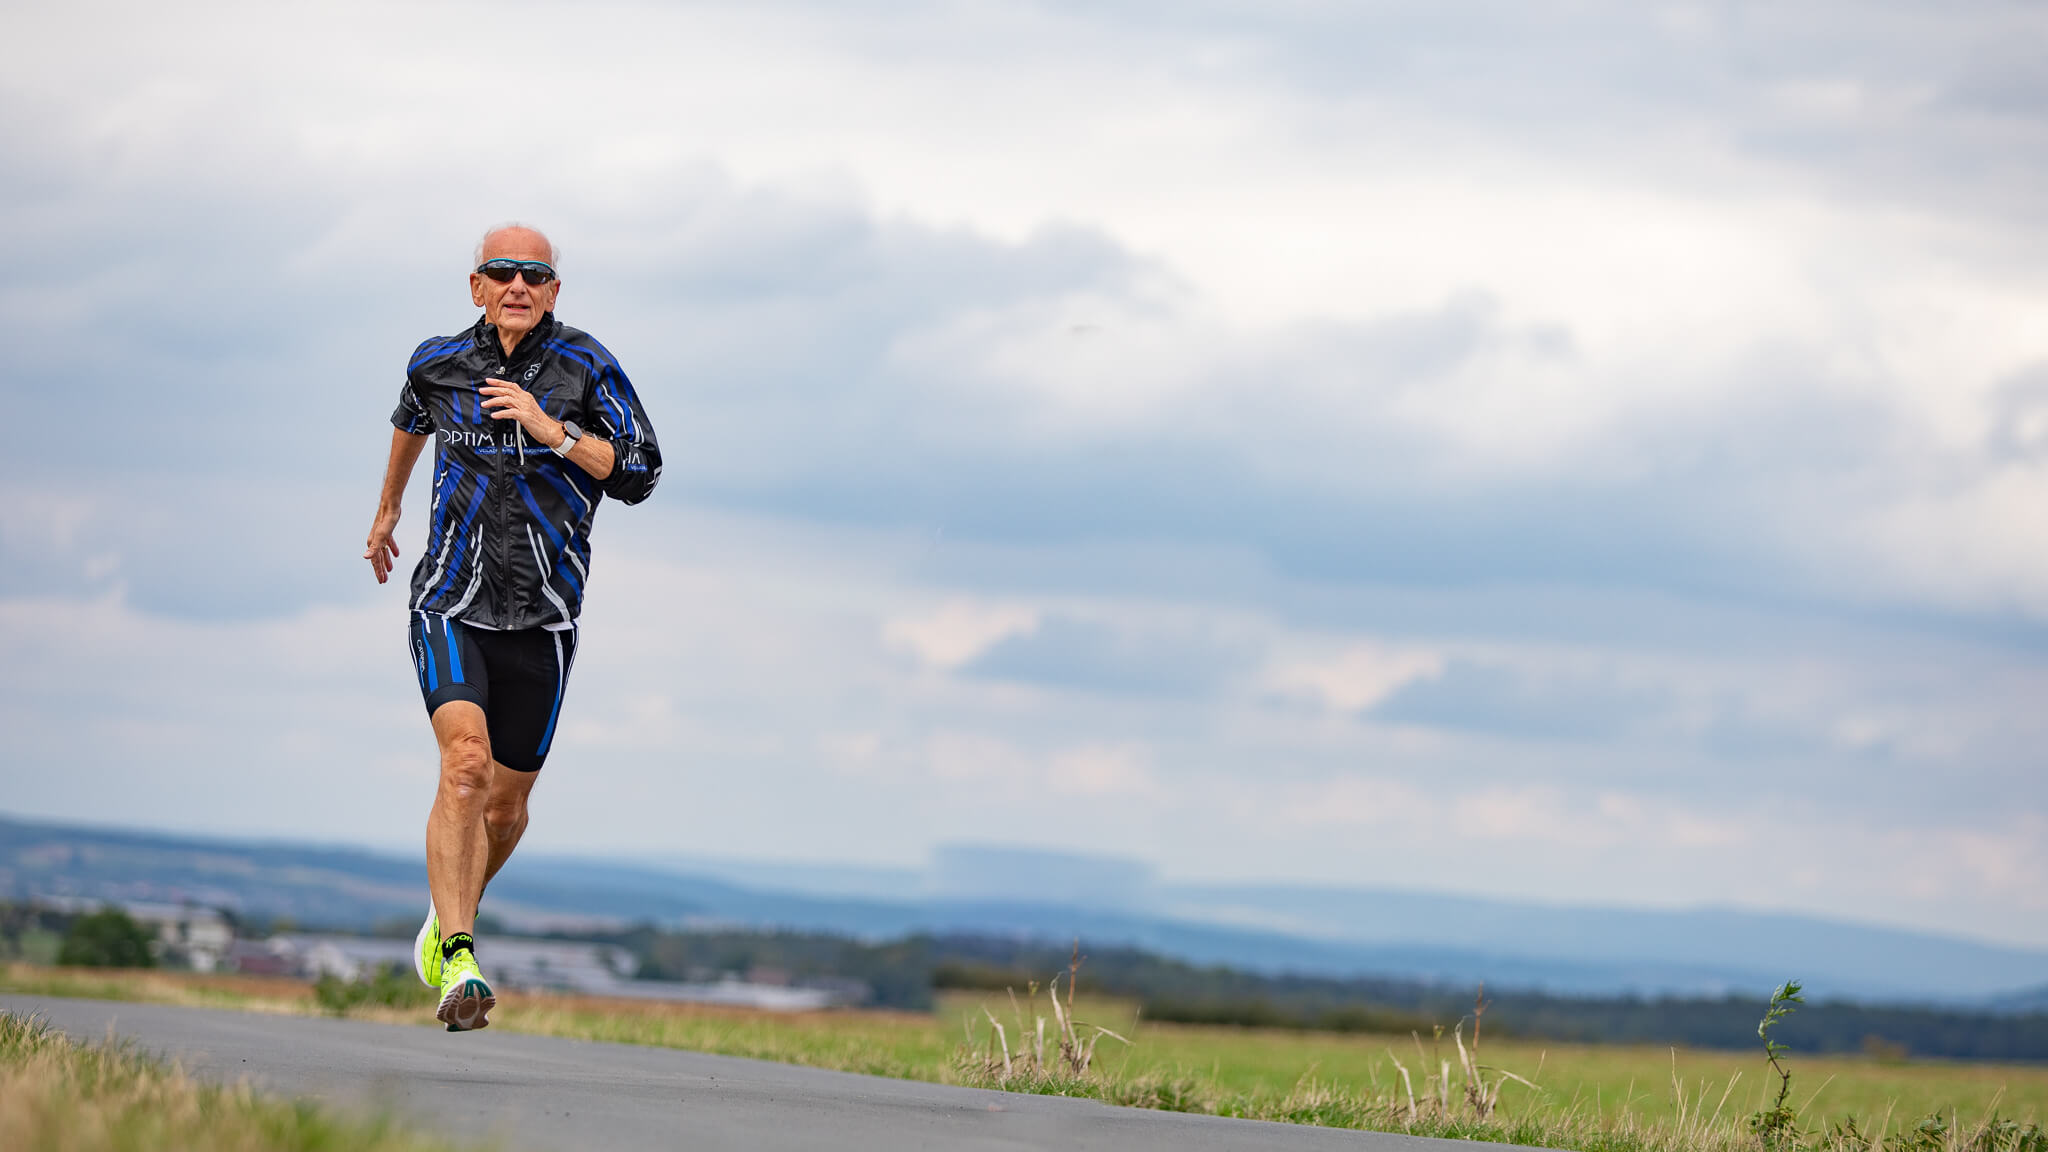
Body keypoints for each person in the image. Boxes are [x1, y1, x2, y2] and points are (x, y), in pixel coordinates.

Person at [362, 224, 660, 1031]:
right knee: (465, 764)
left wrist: (549, 427)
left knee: (504, 807)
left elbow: (642, 470)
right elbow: (409, 416)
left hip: (544, 615)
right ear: (476, 286)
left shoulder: (587, 366)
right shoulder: (439, 361)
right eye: (503, 272)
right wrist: (390, 506)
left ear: (554, 291)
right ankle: (458, 956)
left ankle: (446, 914)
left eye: (535, 274)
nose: (518, 285)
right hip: (451, 600)